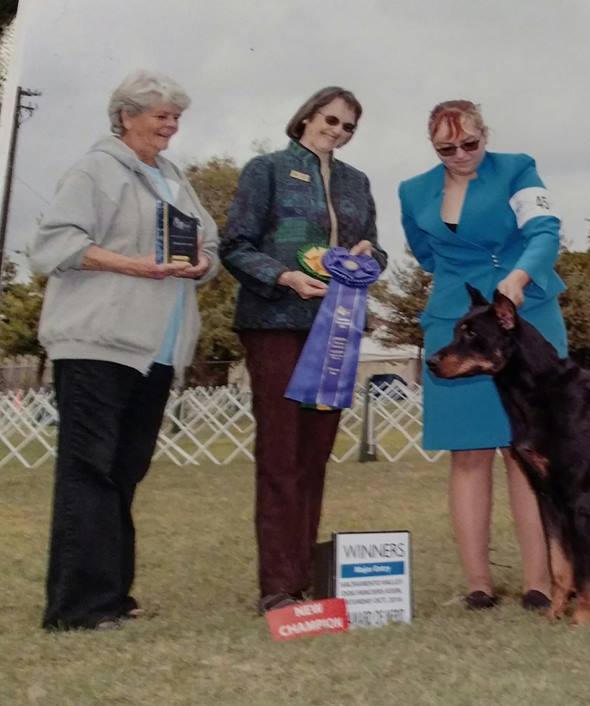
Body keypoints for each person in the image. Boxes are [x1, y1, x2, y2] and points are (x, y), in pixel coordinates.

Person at [28, 70, 220, 630]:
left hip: (155, 350)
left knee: (123, 472)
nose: (171, 124)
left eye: (175, 115)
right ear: (125, 116)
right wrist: (136, 264)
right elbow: (55, 244)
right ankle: (76, 608)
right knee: (88, 470)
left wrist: (204, 261)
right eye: (160, 114)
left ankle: (112, 598)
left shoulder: (173, 178)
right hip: (96, 343)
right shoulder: (95, 169)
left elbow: (205, 240)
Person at [220, 87, 387, 614]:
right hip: (275, 324)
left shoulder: (357, 182)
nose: (337, 132)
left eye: (348, 128)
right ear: (308, 117)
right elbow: (235, 246)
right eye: (331, 120)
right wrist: (285, 276)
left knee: (314, 454)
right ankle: (277, 584)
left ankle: (303, 574)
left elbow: (375, 248)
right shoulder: (265, 170)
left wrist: (369, 256)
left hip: (336, 329)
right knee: (280, 453)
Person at [399, 100, 568, 610]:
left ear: (484, 135)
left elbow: (543, 230)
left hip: (525, 312)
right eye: (445, 148)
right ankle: (478, 584)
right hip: (456, 323)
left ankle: (539, 581)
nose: (459, 155)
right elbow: (424, 252)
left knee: (528, 454)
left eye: (469, 144)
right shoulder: (413, 190)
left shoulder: (517, 168)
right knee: (468, 454)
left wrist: (516, 277)